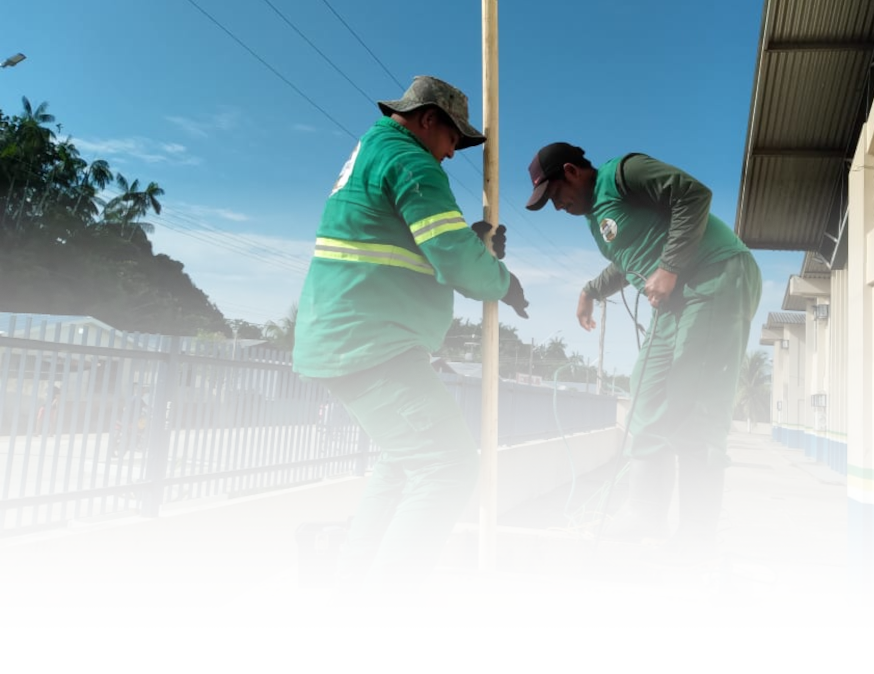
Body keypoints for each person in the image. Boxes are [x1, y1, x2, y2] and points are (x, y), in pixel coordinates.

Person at [292, 75, 530, 628]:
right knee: (447, 465)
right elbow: (450, 257)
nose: (453, 154)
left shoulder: (375, 150)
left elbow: (414, 246)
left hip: (349, 332)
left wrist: (473, 247)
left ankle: (350, 580)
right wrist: (499, 276)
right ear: (429, 121)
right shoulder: (413, 162)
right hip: (369, 338)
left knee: (405, 460)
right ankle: (374, 617)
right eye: (454, 140)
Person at [523, 142, 762, 572]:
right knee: (646, 393)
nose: (557, 206)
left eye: (556, 195)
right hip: (675, 300)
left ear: (573, 171)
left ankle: (698, 536)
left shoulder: (624, 173)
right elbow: (629, 257)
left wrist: (669, 267)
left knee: (694, 398)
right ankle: (645, 512)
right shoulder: (596, 218)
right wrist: (591, 290)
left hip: (715, 276)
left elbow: (694, 195)